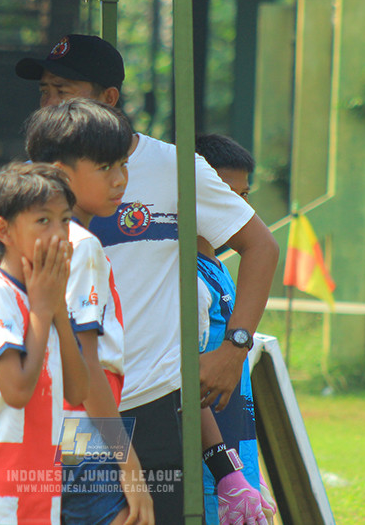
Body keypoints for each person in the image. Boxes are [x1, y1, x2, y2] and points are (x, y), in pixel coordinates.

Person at [16, 35, 279, 521]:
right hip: (80, 406)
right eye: (44, 91)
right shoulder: (37, 182)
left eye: (63, 89)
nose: (49, 102)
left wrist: (234, 345)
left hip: (159, 403)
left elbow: (261, 245)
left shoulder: (175, 167)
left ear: (108, 98)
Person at [24, 99, 153, 525]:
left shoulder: (32, 239)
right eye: (104, 168)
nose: (120, 180)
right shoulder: (81, 246)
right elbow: (85, 362)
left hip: (47, 430)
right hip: (84, 434)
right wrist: (129, 464)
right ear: (62, 174)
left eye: (122, 164)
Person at [0, 162, 88, 524]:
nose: (59, 235)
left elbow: (78, 388)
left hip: (40, 486)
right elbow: (18, 390)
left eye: (65, 220)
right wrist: (42, 310)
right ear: (3, 230)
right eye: (43, 221)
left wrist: (55, 309)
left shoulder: (48, 295)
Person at [194, 134, 277, 525]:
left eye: (244, 196)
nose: (239, 209)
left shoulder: (222, 269)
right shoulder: (184, 276)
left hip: (233, 466)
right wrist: (226, 474)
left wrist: (248, 473)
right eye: (226, 195)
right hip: (207, 472)